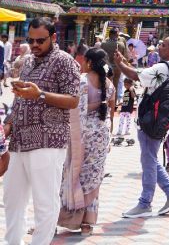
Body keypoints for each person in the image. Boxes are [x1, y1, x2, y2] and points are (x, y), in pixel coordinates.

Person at [2, 18, 80, 245]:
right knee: (12, 199)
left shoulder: (64, 61)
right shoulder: (28, 62)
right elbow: (20, 100)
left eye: (40, 41)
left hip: (48, 139)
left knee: (44, 202)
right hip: (19, 140)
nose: (35, 45)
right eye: (31, 40)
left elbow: (73, 100)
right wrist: (8, 124)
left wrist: (40, 95)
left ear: (53, 37)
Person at [115, 37, 169, 218]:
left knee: (148, 161)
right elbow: (143, 75)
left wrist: (120, 64)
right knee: (150, 159)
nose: (159, 47)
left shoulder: (162, 68)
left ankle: (145, 203)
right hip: (158, 121)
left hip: (150, 122)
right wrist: (125, 63)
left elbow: (136, 76)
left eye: (163, 45)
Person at [58, 47, 115, 236]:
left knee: (75, 175)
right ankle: (87, 223)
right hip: (101, 135)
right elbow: (110, 110)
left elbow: (76, 110)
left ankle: (70, 218)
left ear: (89, 62)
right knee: (93, 178)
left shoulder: (82, 81)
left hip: (82, 136)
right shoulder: (109, 83)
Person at [100, 27, 127, 104]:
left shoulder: (103, 44)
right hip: (117, 67)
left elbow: (101, 56)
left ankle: (104, 102)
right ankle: (113, 104)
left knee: (105, 85)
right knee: (115, 86)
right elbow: (124, 56)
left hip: (106, 67)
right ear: (116, 35)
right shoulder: (121, 44)